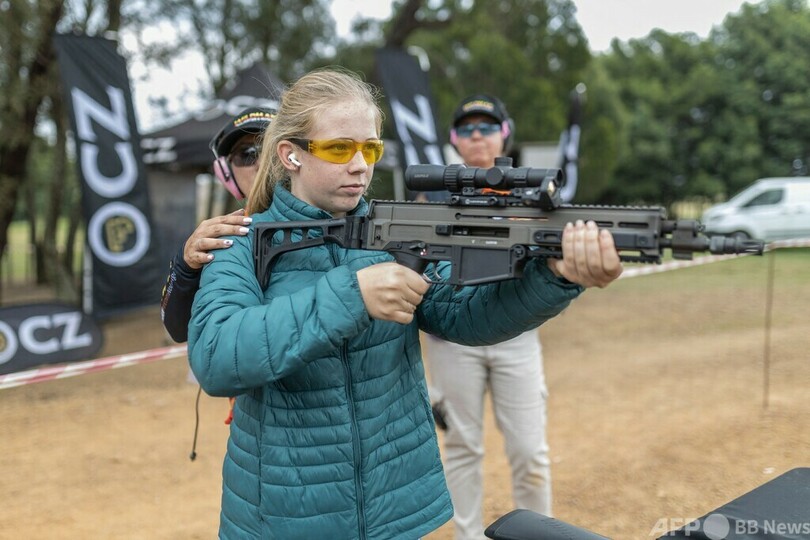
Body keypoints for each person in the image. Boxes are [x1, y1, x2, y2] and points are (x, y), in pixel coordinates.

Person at [187, 67, 622, 540]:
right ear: (290, 155)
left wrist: (553, 277)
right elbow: (216, 357)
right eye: (339, 148)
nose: (360, 165)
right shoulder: (241, 243)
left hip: (394, 513)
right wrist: (353, 295)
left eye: (370, 148)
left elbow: (463, 315)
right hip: (283, 518)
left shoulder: (392, 232)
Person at [426, 94, 560, 539]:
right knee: (462, 446)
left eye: (486, 127)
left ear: (506, 133)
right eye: (466, 129)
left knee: (529, 451)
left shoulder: (531, 192)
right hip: (452, 344)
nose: (477, 136)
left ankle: (539, 533)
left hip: (516, 338)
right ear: (453, 141)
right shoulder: (431, 192)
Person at [160, 106, 275, 343]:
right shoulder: (218, 238)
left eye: (271, 149)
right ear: (226, 174)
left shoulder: (328, 214)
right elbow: (177, 329)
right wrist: (185, 266)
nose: (261, 162)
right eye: (248, 153)